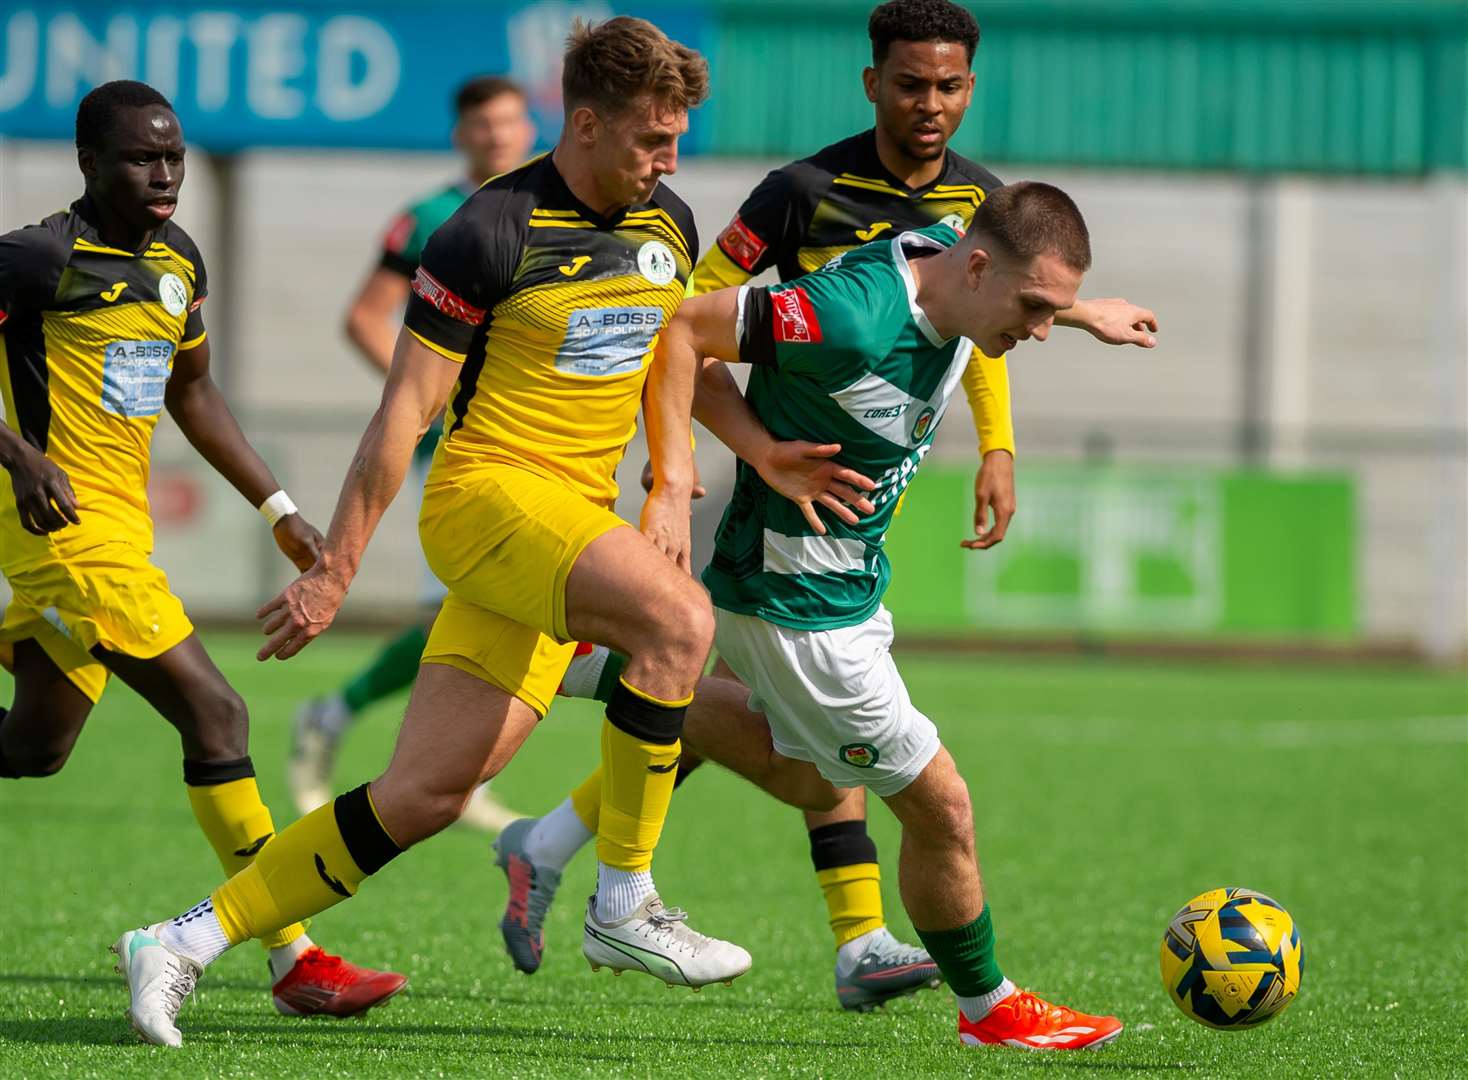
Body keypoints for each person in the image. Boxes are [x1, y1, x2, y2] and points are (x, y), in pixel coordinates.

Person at [108, 18, 821, 1048]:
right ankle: (624, 901)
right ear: (583, 122)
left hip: (570, 521)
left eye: (676, 141)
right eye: (650, 140)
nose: (669, 161)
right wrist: (333, 572)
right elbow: (402, 414)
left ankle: (179, 941)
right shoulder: (487, 231)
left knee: (428, 792)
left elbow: (680, 357)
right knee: (678, 621)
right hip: (487, 500)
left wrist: (713, 466)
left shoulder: (664, 219)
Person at [496, 0, 1157, 1013]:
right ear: (873, 84)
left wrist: (1029, 393)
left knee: (800, 761)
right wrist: (699, 464)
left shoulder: (973, 214)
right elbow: (683, 314)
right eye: (910, 84)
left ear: (969, 90)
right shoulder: (807, 197)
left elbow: (985, 297)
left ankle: (586, 732)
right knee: (918, 790)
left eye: (948, 87)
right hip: (784, 500)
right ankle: (925, 976)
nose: (929, 104)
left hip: (851, 534)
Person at [0, 80, 406, 1032]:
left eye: (174, 155)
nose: (166, 173)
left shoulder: (179, 259)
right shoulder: (35, 259)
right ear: (90, 163)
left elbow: (194, 392)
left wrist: (279, 510)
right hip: (69, 540)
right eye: (144, 157)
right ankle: (294, 957)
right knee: (217, 715)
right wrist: (18, 452)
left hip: (121, 537)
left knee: (36, 746)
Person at [691, 181, 1126, 1050]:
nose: (1036, 331)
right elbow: (682, 333)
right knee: (942, 809)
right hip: (800, 604)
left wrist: (1081, 314)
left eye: (1052, 314)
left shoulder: (946, 258)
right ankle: (988, 1009)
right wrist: (758, 455)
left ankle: (605, 663)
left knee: (815, 780)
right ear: (975, 266)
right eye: (1035, 310)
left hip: (841, 590)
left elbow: (992, 273)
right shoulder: (854, 315)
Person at [289, 75, 536, 832]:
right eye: (482, 125)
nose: (497, 137)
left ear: (531, 129)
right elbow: (365, 320)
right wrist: (423, 400)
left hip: (541, 442)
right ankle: (363, 726)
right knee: (489, 607)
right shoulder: (433, 217)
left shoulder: (558, 208)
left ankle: (397, 745)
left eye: (509, 123)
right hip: (467, 446)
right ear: (460, 135)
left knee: (478, 613)